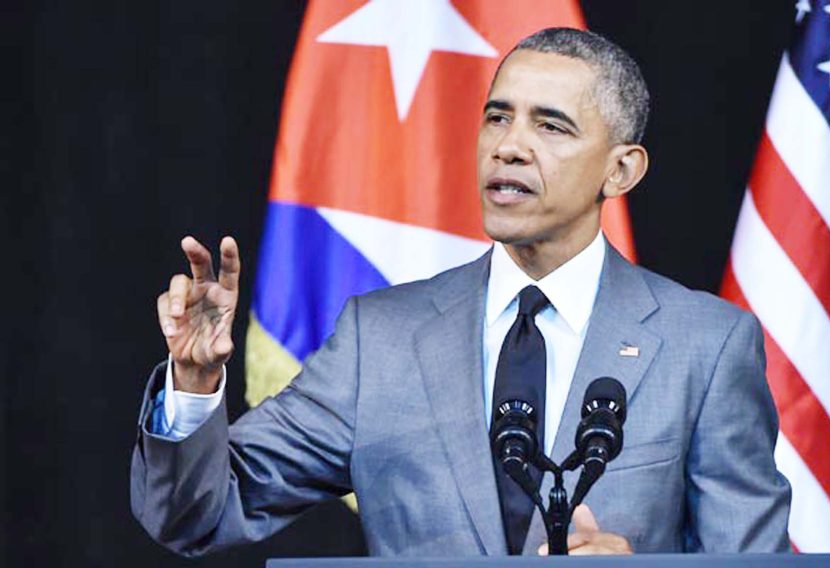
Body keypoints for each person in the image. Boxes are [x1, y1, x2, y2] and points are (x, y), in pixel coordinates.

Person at [132, 27, 791, 557]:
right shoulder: (379, 339)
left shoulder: (703, 345)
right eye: (496, 118)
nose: (507, 146)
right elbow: (197, 515)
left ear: (620, 169)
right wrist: (192, 387)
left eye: (550, 126)